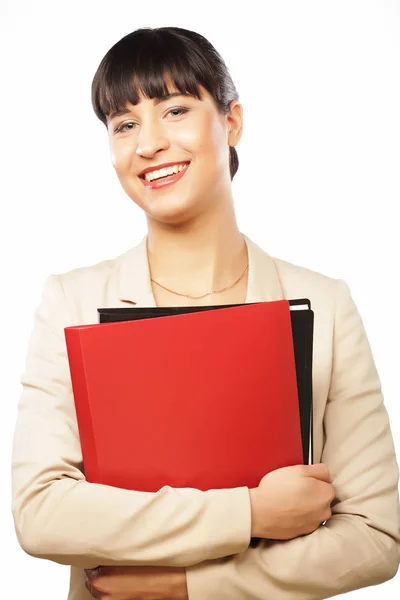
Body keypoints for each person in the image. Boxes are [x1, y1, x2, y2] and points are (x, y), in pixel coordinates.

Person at [11, 26, 399, 600]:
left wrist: (196, 583)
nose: (147, 144)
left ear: (232, 121)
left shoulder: (326, 303)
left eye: (174, 110)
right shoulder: (71, 302)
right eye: (124, 124)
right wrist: (249, 513)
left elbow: (376, 537)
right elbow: (41, 513)